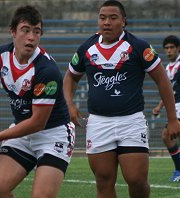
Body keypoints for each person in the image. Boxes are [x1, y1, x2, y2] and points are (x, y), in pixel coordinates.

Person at [0, 5, 75, 198]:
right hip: (22, 131)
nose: (31, 37)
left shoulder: (46, 71)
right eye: (25, 30)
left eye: (37, 32)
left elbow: (38, 122)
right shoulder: (1, 56)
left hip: (54, 135)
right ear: (13, 32)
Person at [63, 0, 180, 198]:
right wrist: (70, 105)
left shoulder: (139, 47)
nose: (106, 22)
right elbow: (70, 77)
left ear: (123, 21)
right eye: (102, 18)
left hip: (131, 121)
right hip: (99, 123)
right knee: (103, 180)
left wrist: (172, 118)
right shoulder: (87, 48)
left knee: (136, 179)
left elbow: (163, 81)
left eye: (112, 17)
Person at [152, 35, 180, 182]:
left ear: (178, 48)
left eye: (171, 48)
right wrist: (158, 106)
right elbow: (168, 91)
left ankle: (179, 170)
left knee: (167, 135)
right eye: (166, 48)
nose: (169, 51)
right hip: (175, 107)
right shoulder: (168, 68)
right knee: (167, 136)